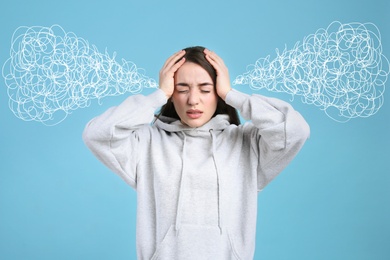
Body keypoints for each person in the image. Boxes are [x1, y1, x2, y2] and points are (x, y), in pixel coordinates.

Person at [83, 46, 310, 260]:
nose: (193, 100)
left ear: (218, 93)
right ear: (172, 94)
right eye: (182, 89)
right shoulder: (147, 144)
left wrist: (233, 95)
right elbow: (97, 134)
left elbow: (295, 131)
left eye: (205, 89)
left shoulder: (246, 144)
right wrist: (157, 96)